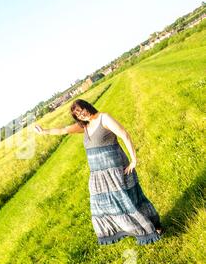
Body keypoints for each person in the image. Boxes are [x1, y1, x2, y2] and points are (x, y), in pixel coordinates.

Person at [34, 99, 163, 245]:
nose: (82, 115)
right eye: (78, 115)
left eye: (82, 111)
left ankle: (151, 229)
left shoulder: (103, 118)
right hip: (98, 175)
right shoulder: (84, 126)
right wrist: (44, 131)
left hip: (116, 170)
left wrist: (133, 160)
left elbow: (124, 135)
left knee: (129, 200)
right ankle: (130, 229)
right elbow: (63, 130)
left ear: (87, 107)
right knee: (103, 205)